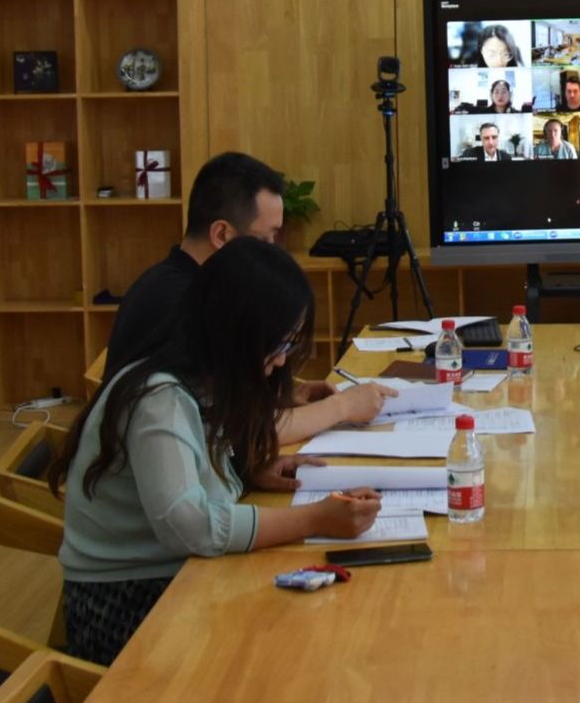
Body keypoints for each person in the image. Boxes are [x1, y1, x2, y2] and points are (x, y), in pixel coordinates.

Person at [51, 238, 384, 665]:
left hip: (175, 573)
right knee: (300, 645)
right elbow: (188, 526)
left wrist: (247, 472)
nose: (282, 362)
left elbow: (194, 472)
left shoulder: (202, 379)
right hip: (127, 600)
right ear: (237, 335)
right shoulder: (159, 399)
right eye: (279, 345)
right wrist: (314, 519)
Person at [104, 152, 394, 440]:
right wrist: (341, 407)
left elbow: (227, 401)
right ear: (222, 235)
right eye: (264, 240)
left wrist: (285, 395)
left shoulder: (184, 282)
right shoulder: (183, 301)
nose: (272, 253)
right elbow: (238, 431)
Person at [454, 77, 519, 114]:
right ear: (491, 95)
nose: (500, 95)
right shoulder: (482, 112)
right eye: (496, 92)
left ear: (510, 94)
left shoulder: (517, 113)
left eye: (504, 92)